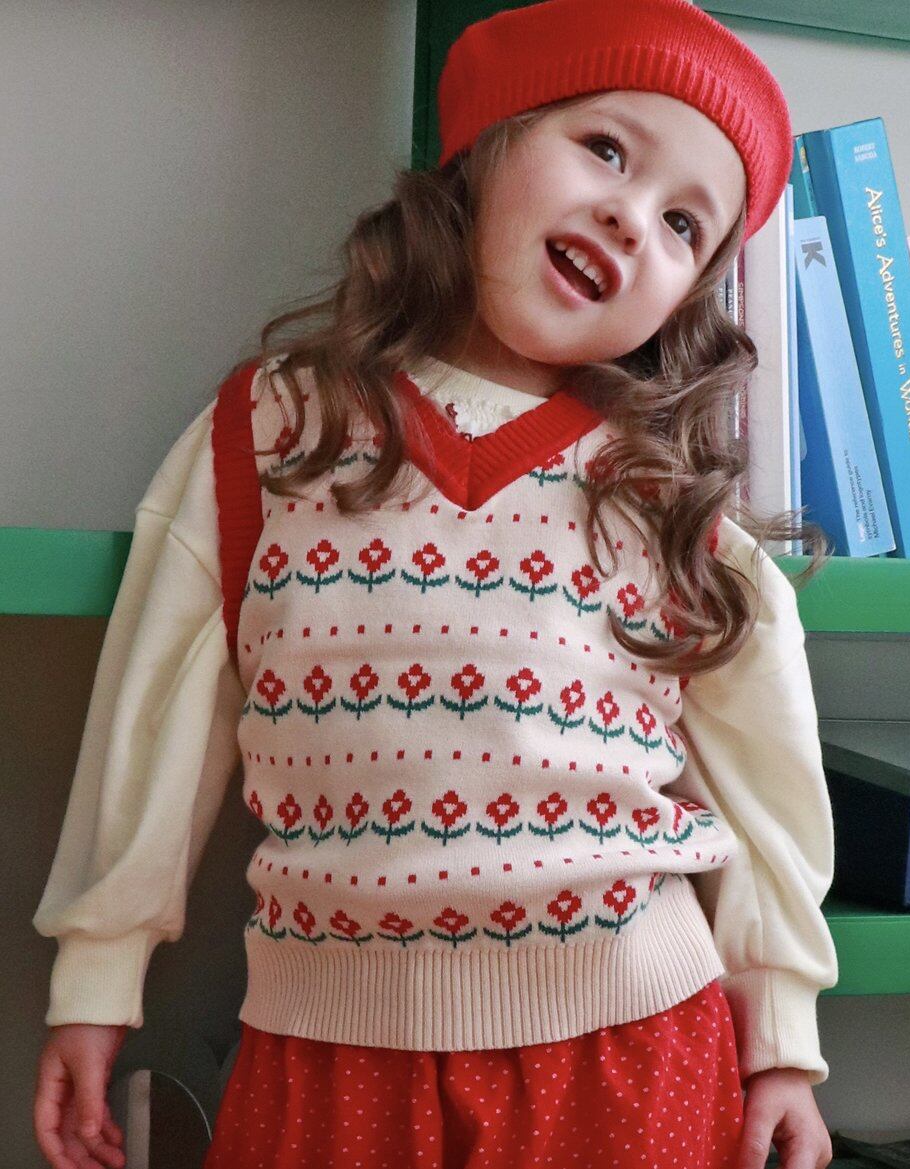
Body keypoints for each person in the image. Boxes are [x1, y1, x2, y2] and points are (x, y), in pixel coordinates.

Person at [30, 1, 841, 1165]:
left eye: (682, 223)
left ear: (684, 298)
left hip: (628, 1062)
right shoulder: (271, 431)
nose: (631, 214)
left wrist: (782, 1040)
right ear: (488, 146)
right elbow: (154, 719)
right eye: (605, 148)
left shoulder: (675, 510)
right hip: (324, 1058)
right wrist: (95, 976)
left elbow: (766, 802)